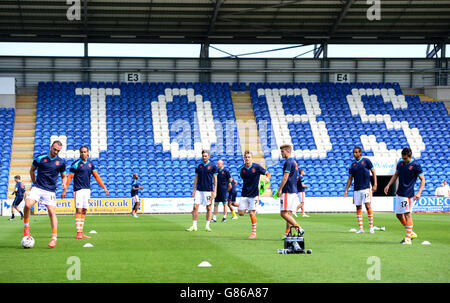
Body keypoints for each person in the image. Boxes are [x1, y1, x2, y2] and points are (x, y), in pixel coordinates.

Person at [23, 141, 67, 248]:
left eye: (58, 150)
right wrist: (34, 183)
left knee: (52, 212)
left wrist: (64, 183)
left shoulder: (61, 162)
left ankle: (54, 238)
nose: (56, 152)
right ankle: (26, 227)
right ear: (51, 147)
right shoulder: (40, 158)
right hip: (38, 187)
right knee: (28, 205)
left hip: (50, 190)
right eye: (55, 149)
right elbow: (32, 170)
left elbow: (64, 176)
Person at [62, 146, 109, 239]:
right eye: (82, 152)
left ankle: (81, 231)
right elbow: (70, 177)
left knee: (84, 210)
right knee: (78, 210)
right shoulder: (75, 164)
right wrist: (65, 190)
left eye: (85, 152)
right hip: (78, 190)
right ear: (80, 153)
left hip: (87, 190)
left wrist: (104, 187)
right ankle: (78, 232)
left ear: (88, 153)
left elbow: (97, 176)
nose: (83, 153)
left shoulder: (91, 164)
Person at [384, 147, 425, 245]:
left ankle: (408, 239)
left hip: (408, 194)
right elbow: (396, 175)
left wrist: (419, 192)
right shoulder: (400, 163)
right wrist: (388, 185)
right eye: (402, 158)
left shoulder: (416, 165)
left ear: (410, 156)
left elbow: (422, 180)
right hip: (399, 193)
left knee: (407, 214)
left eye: (405, 158)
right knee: (398, 215)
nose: (404, 160)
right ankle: (410, 233)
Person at [344, 146, 377, 234]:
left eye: (356, 152)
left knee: (368, 206)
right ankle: (361, 228)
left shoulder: (366, 161)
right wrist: (346, 189)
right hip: (357, 189)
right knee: (358, 207)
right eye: (353, 152)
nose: (354, 154)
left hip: (366, 188)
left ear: (360, 153)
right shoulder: (352, 165)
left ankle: (371, 227)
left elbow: (373, 172)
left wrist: (375, 184)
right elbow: (350, 178)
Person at [238, 150, 271, 239]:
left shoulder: (256, 167)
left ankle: (254, 233)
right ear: (244, 158)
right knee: (241, 213)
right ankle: (246, 207)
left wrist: (267, 178)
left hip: (254, 194)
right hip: (244, 194)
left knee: (252, 213)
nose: (247, 159)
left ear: (251, 158)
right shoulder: (242, 169)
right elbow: (242, 177)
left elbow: (268, 173)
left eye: (249, 157)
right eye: (246, 157)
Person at [276, 145, 305, 239]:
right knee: (288, 213)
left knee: (283, 213)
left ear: (288, 151)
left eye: (282, 151)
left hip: (287, 190)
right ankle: (287, 233)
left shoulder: (288, 162)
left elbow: (285, 177)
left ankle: (298, 228)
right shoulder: (294, 162)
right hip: (293, 190)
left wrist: (280, 189)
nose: (281, 153)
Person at [186, 150, 218, 232]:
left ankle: (207, 226)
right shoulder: (198, 166)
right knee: (195, 207)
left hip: (208, 190)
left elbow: (215, 179)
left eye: (206, 156)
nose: (204, 157)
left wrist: (215, 191)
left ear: (209, 156)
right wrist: (194, 190)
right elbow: (196, 178)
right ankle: (194, 226)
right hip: (199, 190)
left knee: (209, 207)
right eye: (203, 156)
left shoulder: (213, 166)